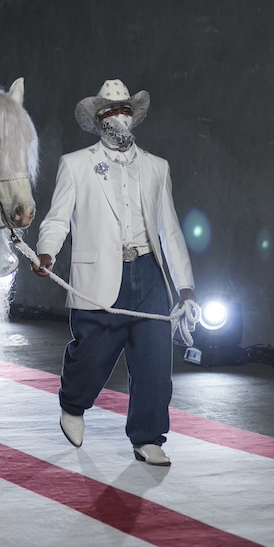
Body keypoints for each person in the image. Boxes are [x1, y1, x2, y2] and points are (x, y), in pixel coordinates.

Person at [32, 79, 197, 465]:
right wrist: (46, 252)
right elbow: (58, 219)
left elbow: (169, 229)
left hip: (148, 272)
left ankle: (148, 436)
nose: (118, 118)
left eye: (124, 111)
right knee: (92, 355)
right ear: (99, 119)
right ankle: (73, 404)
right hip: (100, 275)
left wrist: (185, 286)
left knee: (155, 361)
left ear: (132, 117)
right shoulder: (76, 164)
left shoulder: (157, 167)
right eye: (110, 112)